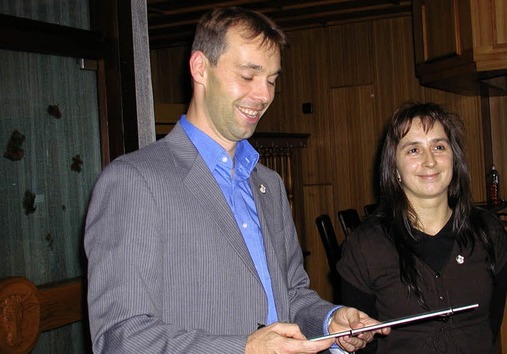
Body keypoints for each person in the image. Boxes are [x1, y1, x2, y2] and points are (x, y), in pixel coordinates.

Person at [84, 6, 388, 354]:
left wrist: (327, 320)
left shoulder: (269, 184)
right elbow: (121, 338)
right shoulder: (133, 182)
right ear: (200, 67)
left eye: (272, 80)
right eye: (248, 75)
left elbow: (290, 294)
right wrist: (243, 349)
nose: (264, 95)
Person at [337, 102, 507, 353]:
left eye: (439, 147)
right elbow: (364, 345)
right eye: (413, 150)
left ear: (454, 158)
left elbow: (490, 326)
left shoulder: (488, 233)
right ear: (394, 167)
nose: (429, 161)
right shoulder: (365, 247)